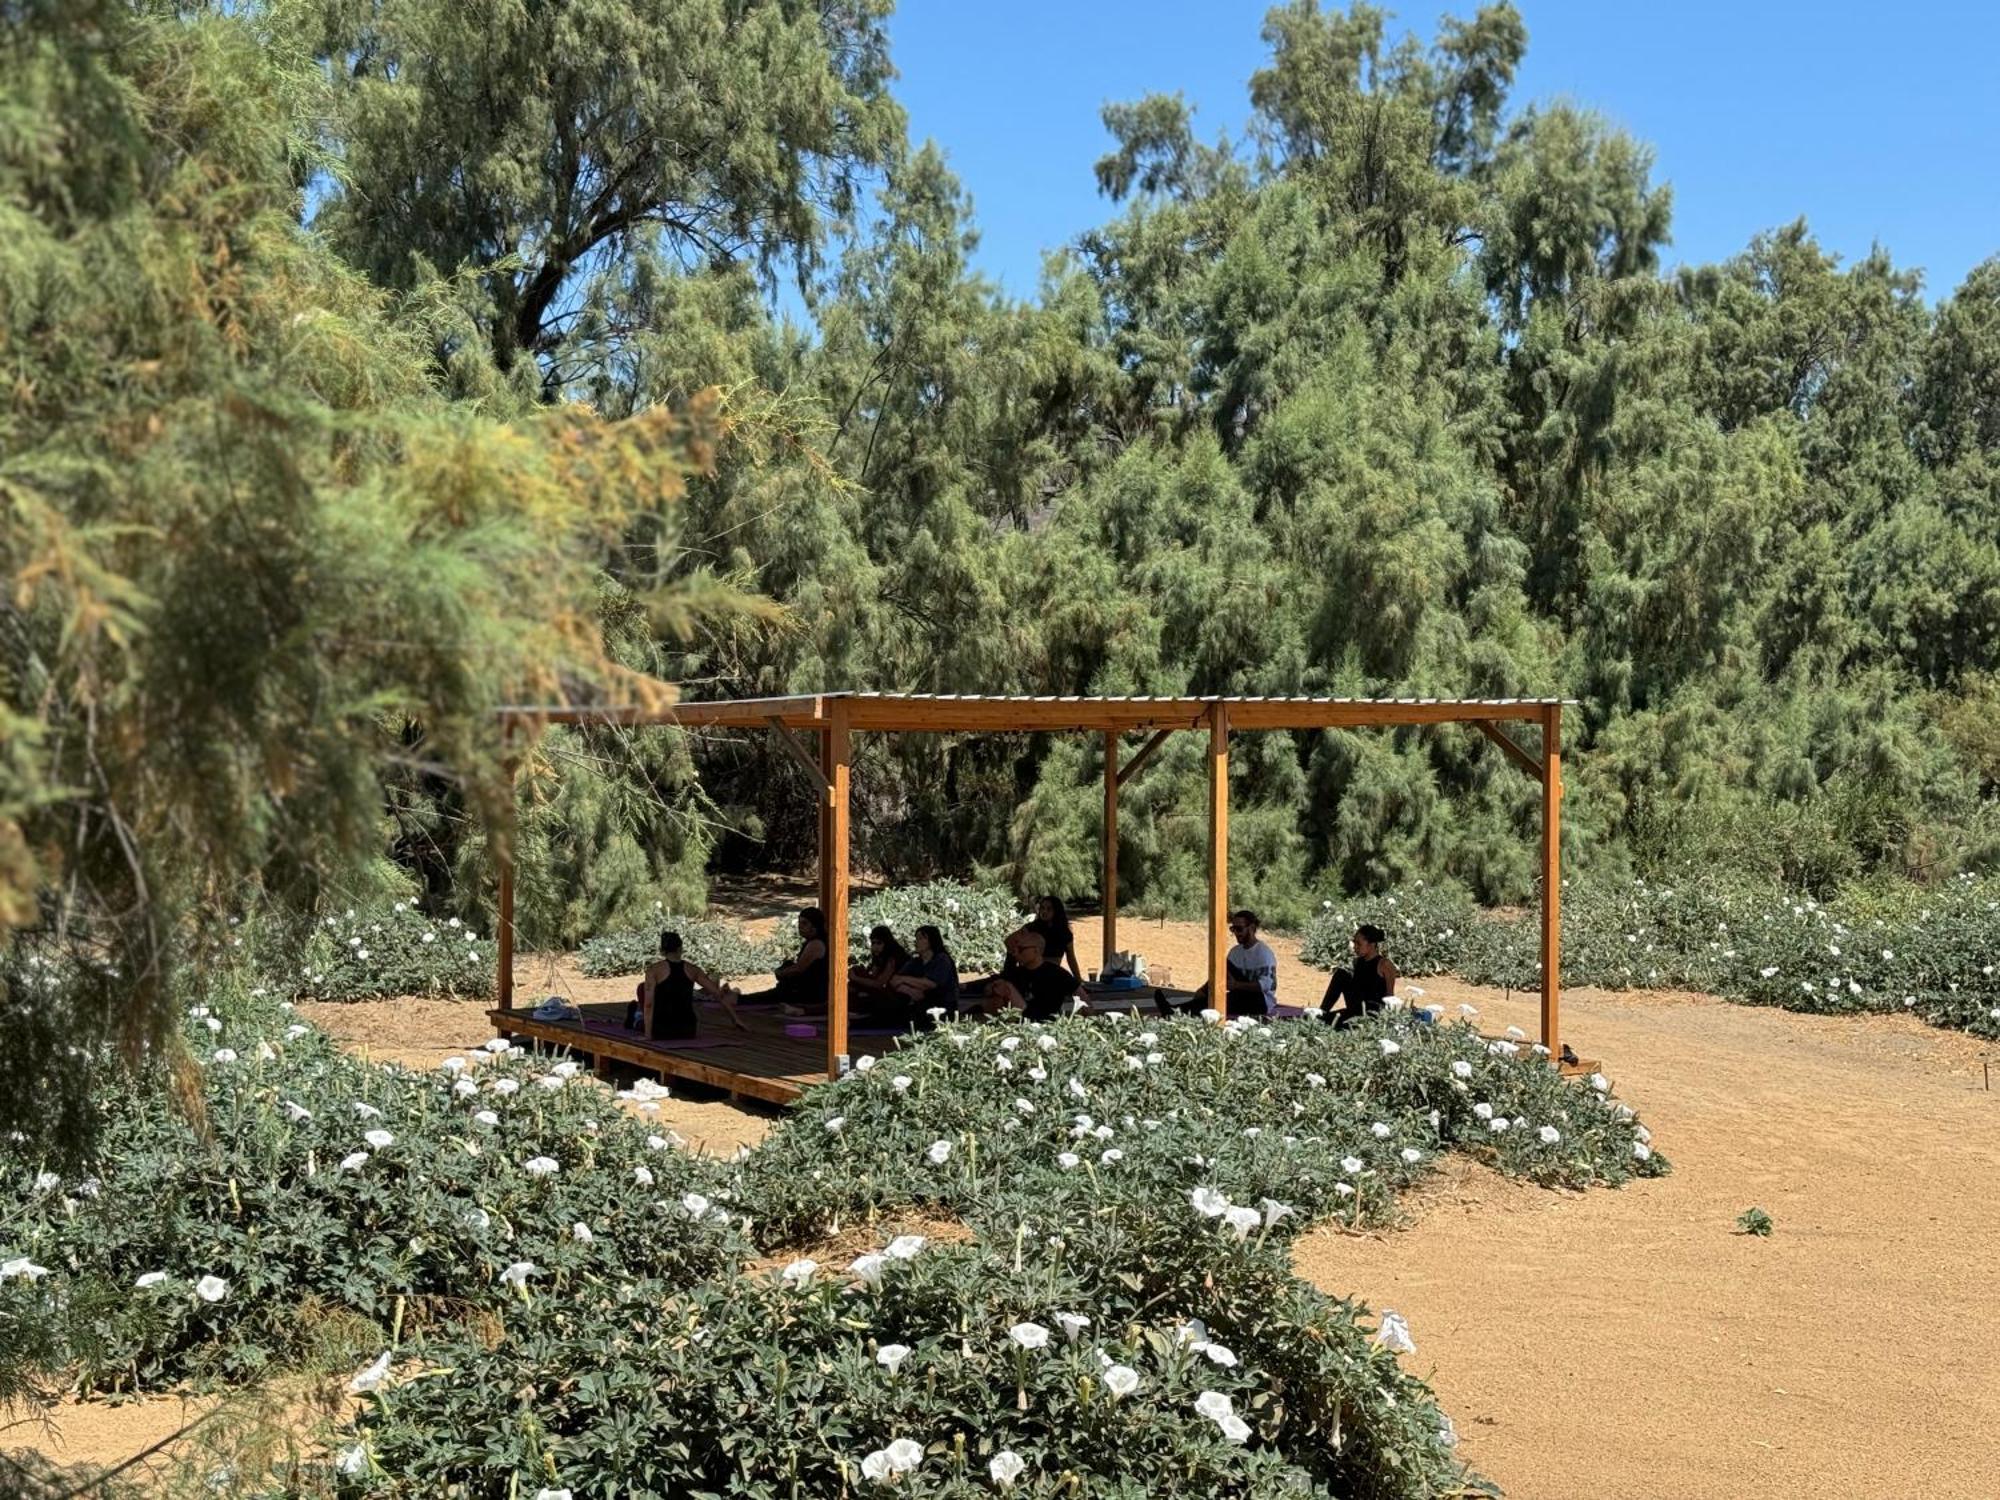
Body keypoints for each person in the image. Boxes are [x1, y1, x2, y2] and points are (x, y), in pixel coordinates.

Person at [1157, 910, 1278, 1019]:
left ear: (1251, 928)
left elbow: (1265, 986)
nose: (1236, 933)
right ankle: (1175, 1010)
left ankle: (1175, 1011)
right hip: (1240, 995)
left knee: (1222, 1002)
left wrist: (1236, 985)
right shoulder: (1235, 952)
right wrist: (1204, 990)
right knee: (1215, 994)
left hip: (1261, 1002)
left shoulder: (1264, 954)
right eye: (1233, 929)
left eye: (1239, 929)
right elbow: (1222, 974)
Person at [628, 931, 743, 1040]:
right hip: (687, 1030)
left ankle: (636, 1016)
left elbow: (649, 1004)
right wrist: (735, 1019)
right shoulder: (693, 970)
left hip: (662, 1029)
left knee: (638, 1018)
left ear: (662, 951)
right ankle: (637, 1015)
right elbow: (718, 994)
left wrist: (648, 1035)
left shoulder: (653, 971)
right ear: (680, 948)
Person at [987, 929, 1080, 1021]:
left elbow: (1083, 999)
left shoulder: (1056, 973)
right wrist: (994, 988)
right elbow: (988, 989)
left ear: (1036, 951)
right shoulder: (1015, 973)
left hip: (1044, 1023)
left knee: (1006, 986)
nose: (1016, 953)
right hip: (1019, 1022)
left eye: (1021, 949)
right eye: (1014, 950)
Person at [883, 924, 961, 1028]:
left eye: (920, 938)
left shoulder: (942, 959)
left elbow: (930, 983)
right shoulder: (915, 962)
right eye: (916, 939)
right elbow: (894, 980)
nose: (916, 942)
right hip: (919, 1002)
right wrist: (909, 990)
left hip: (942, 1006)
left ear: (931, 941)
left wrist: (904, 979)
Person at [1321, 924, 1398, 1026]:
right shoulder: (1357, 962)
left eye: (1359, 944)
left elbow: (1390, 996)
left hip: (1372, 1012)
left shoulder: (1384, 964)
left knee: (1329, 1021)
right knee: (1341, 974)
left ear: (1371, 944)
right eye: (1354, 943)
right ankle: (1322, 1011)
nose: (1355, 947)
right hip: (1356, 1007)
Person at [772, 907, 831, 1017]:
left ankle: (738, 999)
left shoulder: (816, 944)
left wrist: (780, 973)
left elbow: (799, 969)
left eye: (804, 923)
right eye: (799, 923)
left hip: (812, 992)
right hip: (805, 988)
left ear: (814, 926)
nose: (800, 927)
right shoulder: (812, 942)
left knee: (775, 994)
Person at [849, 925, 911, 1008]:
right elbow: (873, 977)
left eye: (879, 943)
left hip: (899, 995)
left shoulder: (893, 957)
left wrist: (855, 978)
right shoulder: (880, 957)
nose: (875, 947)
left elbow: (879, 984)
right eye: (873, 943)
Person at [1029, 895, 1083, 981]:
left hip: (1053, 974)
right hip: (1032, 974)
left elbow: (1071, 958)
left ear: (1056, 911)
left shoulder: (1064, 933)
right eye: (1042, 908)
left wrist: (1078, 979)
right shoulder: (1031, 928)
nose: (1044, 911)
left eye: (1049, 909)